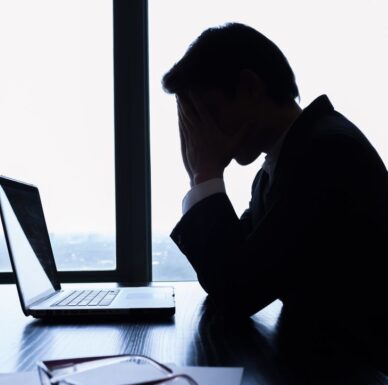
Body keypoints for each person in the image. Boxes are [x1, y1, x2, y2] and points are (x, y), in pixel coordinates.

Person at [162, 23, 387, 362]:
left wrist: (203, 174)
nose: (197, 132)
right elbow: (238, 265)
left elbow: (237, 290)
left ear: (250, 88)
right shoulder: (279, 167)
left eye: (203, 113)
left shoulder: (326, 153)